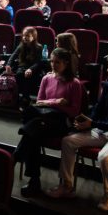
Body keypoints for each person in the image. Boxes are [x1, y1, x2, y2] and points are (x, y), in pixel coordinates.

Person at [48, 51, 108, 212]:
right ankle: (67, 185)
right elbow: (98, 110)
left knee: (104, 156)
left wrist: (92, 123)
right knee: (68, 141)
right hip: (105, 130)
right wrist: (86, 121)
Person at [14, 48, 84, 197]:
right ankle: (34, 181)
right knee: (33, 135)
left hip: (61, 122)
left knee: (32, 131)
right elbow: (39, 102)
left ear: (66, 63)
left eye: (57, 62)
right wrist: (57, 102)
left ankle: (26, 170)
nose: (53, 64)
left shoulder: (74, 83)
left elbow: (74, 112)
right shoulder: (47, 78)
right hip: (43, 119)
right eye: (51, 61)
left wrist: (54, 105)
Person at [5, 26, 45, 102]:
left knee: (28, 77)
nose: (24, 38)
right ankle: (19, 97)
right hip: (23, 67)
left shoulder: (39, 47)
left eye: (27, 36)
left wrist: (30, 69)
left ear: (33, 37)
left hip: (34, 68)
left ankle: (25, 97)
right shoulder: (21, 45)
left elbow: (38, 62)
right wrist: (8, 65)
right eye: (23, 35)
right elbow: (13, 55)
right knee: (19, 74)